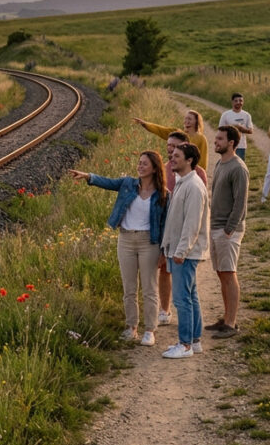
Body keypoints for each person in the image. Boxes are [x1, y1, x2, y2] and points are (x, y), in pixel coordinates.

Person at [69, 151, 168, 346]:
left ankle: (150, 330)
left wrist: (164, 252)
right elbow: (108, 182)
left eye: (145, 164)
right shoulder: (128, 184)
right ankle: (131, 327)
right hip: (126, 240)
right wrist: (88, 176)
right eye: (139, 163)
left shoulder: (163, 194)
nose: (140, 166)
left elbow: (165, 224)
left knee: (149, 287)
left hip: (149, 242)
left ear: (155, 168)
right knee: (129, 288)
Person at [160, 143, 210, 359]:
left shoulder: (194, 187)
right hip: (180, 251)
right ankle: (195, 340)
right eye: (172, 155)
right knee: (191, 295)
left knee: (182, 299)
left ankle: (185, 344)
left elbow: (192, 224)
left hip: (185, 253)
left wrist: (181, 251)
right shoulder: (184, 182)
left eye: (177, 156)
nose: (172, 158)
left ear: (189, 160)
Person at [206, 125, 248, 339]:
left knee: (229, 274)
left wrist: (229, 228)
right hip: (216, 227)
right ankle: (226, 317)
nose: (216, 142)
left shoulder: (238, 168)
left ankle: (231, 324)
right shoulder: (221, 164)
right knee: (221, 273)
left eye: (220, 139)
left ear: (231, 142)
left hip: (228, 230)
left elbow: (240, 201)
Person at [134, 110, 209, 170]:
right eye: (185, 118)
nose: (186, 121)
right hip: (176, 168)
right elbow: (161, 130)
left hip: (191, 172)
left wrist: (198, 173)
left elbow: (203, 161)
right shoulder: (178, 133)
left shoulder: (201, 138)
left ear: (196, 122)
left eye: (189, 119)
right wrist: (145, 124)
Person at [218, 93, 253, 161]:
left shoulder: (246, 115)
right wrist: (232, 128)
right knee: (227, 164)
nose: (238, 102)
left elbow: (250, 130)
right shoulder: (225, 115)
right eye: (236, 101)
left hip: (241, 146)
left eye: (240, 101)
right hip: (228, 145)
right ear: (232, 102)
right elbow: (220, 129)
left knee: (239, 165)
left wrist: (241, 129)